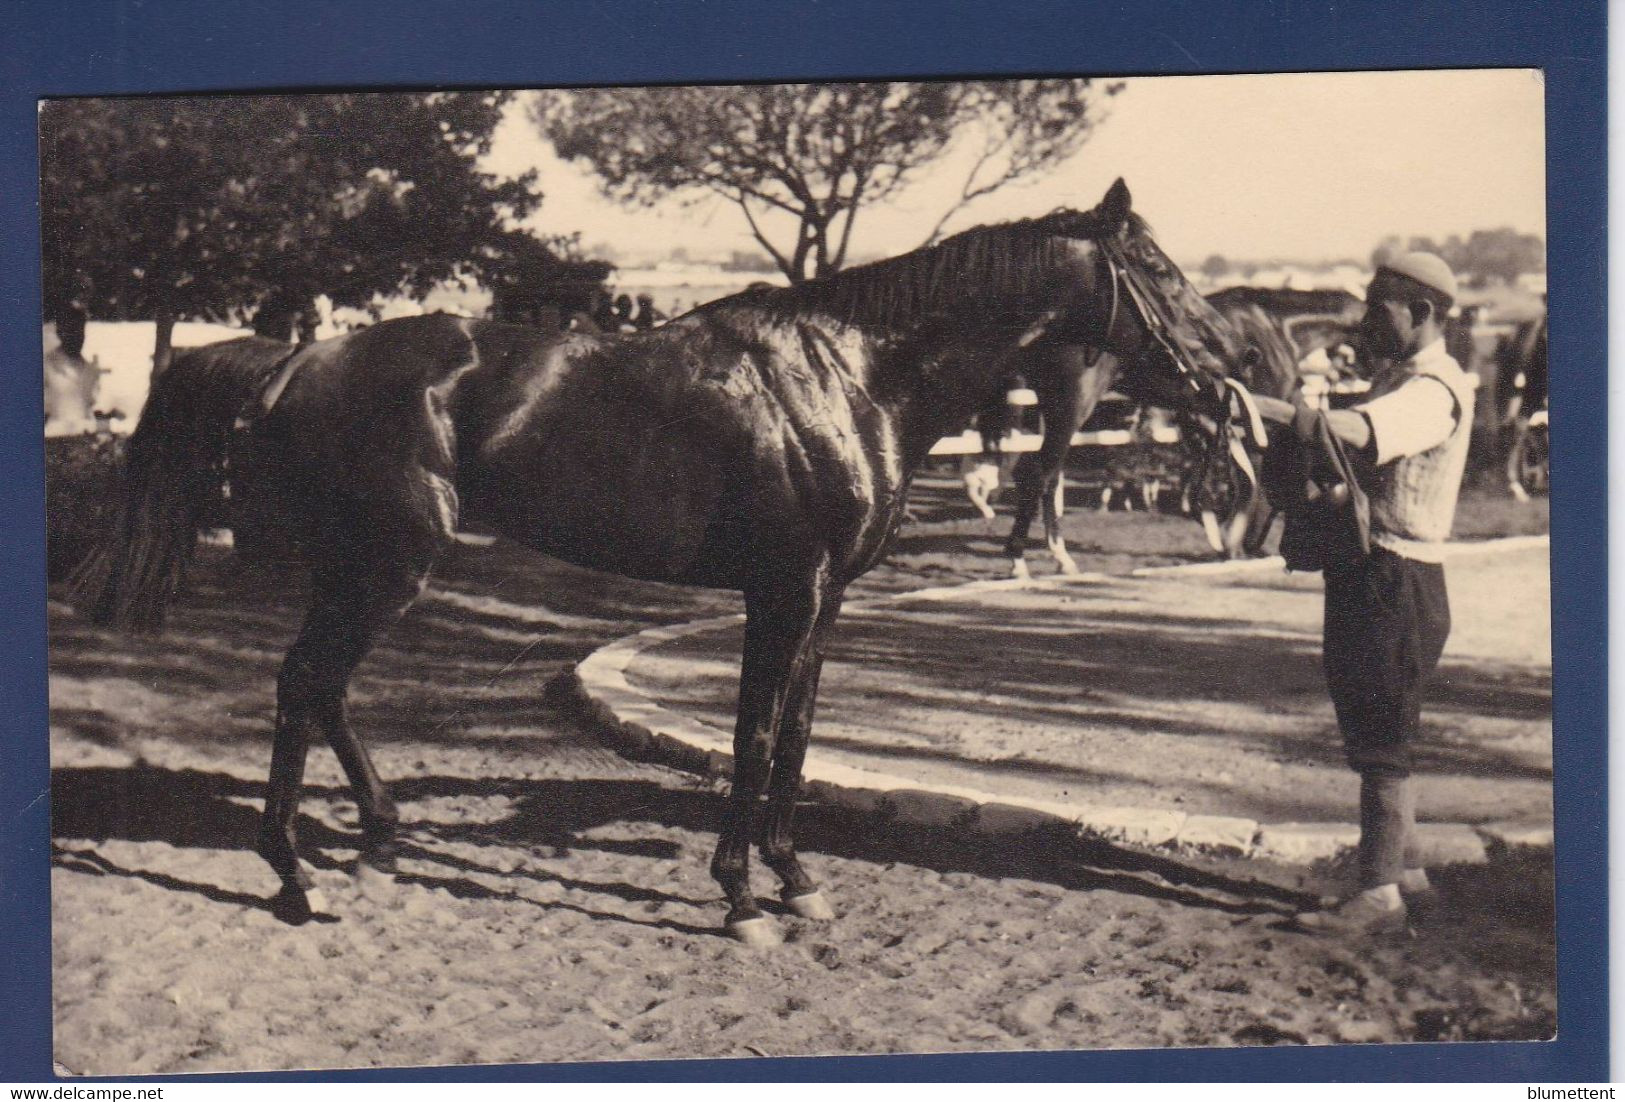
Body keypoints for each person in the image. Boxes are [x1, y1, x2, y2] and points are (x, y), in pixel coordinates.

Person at [1256, 252, 1477, 935]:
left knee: (1380, 739)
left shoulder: (1432, 388)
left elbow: (1359, 432)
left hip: (1395, 579)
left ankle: (1377, 896)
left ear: (1422, 314)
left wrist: (1266, 408)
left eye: (1378, 307)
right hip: (1377, 574)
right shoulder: (1403, 375)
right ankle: (1405, 876)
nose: (1365, 320)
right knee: (1377, 732)